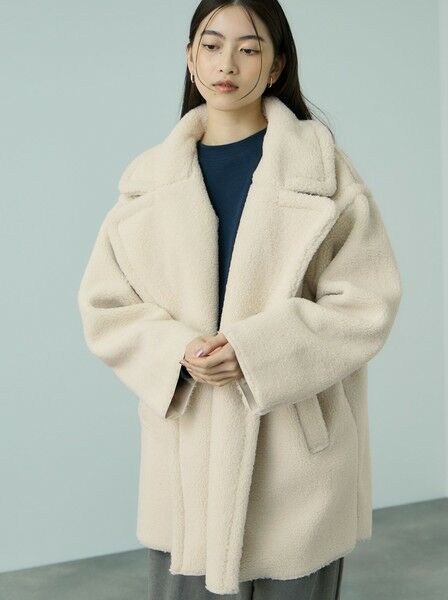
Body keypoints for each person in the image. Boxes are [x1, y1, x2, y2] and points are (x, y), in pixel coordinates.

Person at [77, 1, 403, 598]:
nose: (226, 63)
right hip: (188, 460)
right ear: (190, 58)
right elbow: (106, 306)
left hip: (295, 454)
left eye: (249, 48)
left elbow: (364, 303)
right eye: (211, 44)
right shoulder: (148, 182)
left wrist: (256, 352)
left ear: (275, 66)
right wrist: (178, 350)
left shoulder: (323, 173)